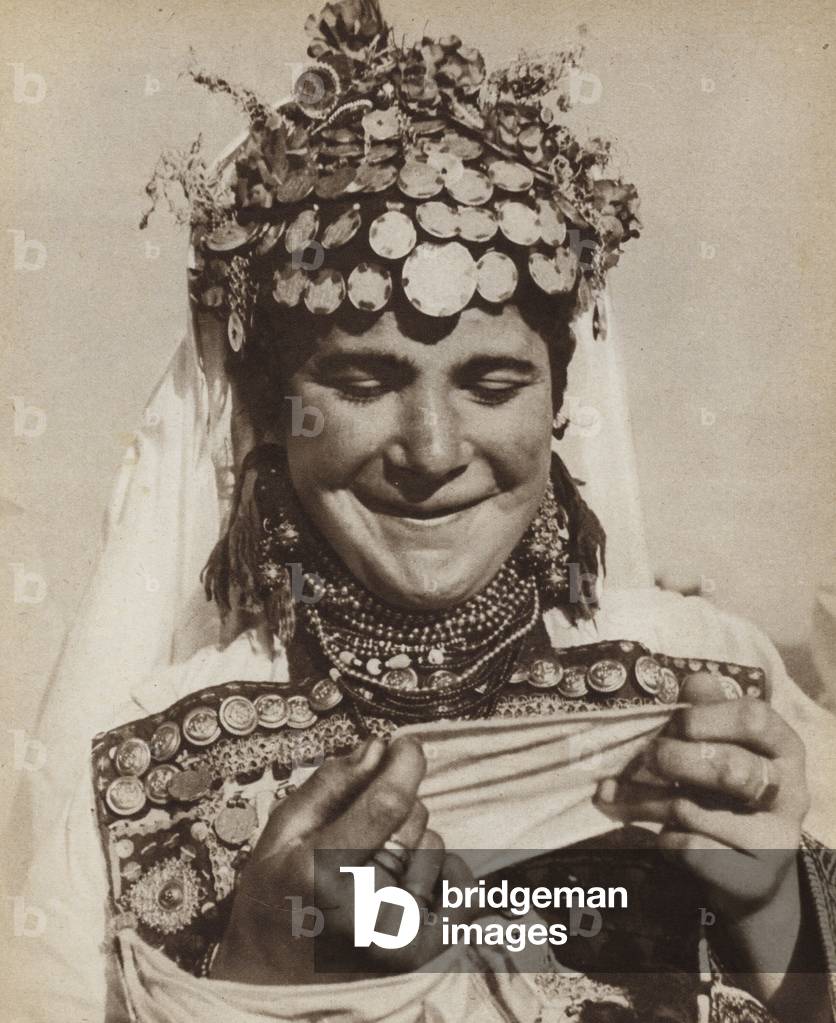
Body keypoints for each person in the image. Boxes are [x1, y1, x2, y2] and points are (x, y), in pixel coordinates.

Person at [12, 2, 835, 1020]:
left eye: (492, 385)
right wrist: (252, 980)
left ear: (556, 403)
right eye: (362, 382)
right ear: (271, 415)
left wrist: (786, 937)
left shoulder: (719, 702)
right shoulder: (143, 769)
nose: (433, 453)